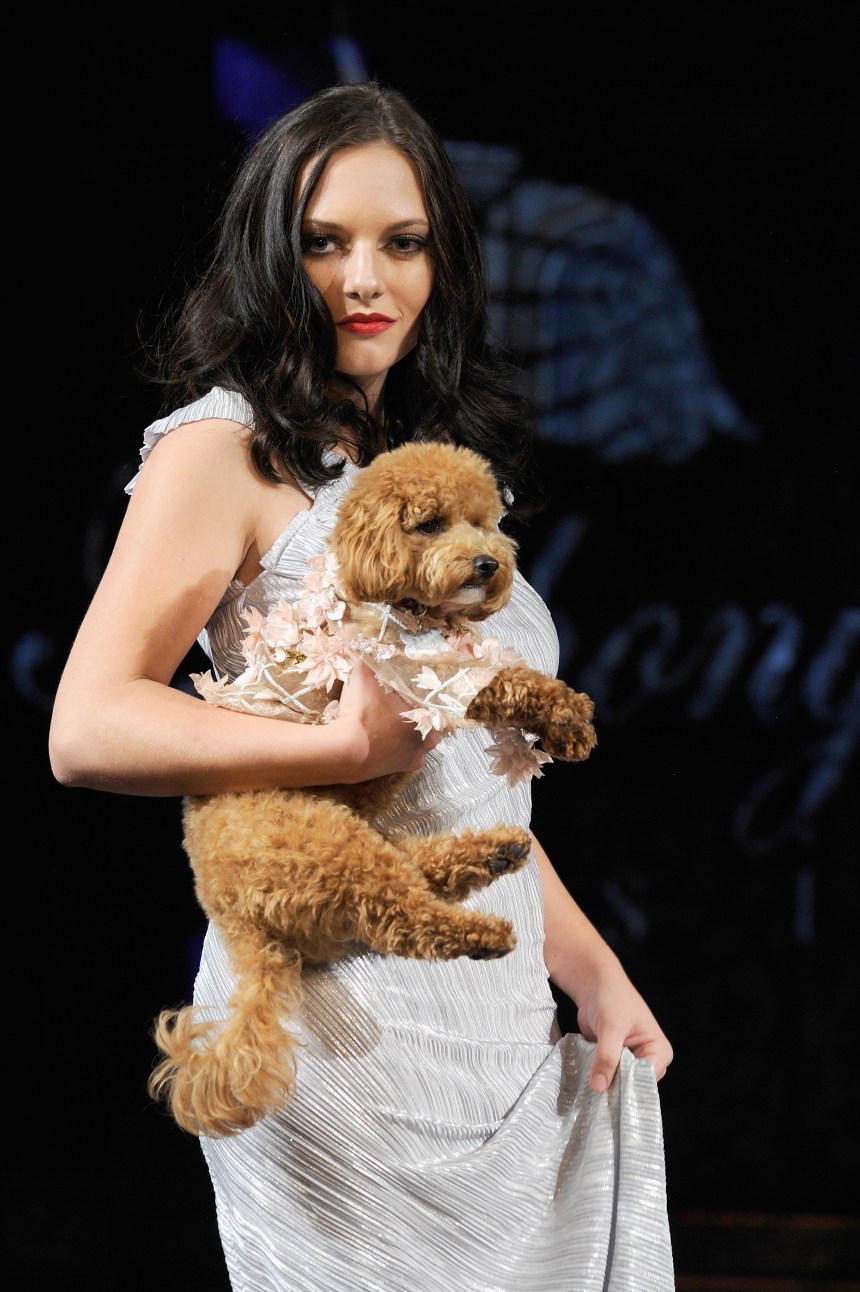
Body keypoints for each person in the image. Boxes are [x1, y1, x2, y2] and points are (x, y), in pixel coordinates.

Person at [49, 80, 675, 1291]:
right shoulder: (221, 448)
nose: (363, 278)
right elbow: (85, 724)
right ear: (269, 257)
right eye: (323, 242)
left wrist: (588, 965)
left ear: (442, 256)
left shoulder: (411, 467)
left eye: (400, 241)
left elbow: (454, 782)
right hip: (339, 1026)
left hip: (490, 1024)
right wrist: (336, 752)